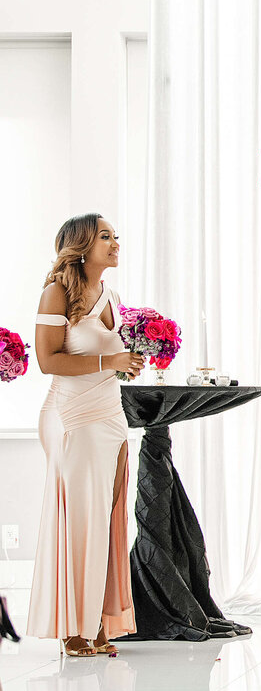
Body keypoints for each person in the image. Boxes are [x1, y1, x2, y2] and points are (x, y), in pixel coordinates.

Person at [29, 214, 141, 657]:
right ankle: (70, 627)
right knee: (78, 518)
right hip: (71, 415)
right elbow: (47, 360)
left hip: (110, 414)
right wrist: (108, 364)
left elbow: (109, 356)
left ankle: (96, 619)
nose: (116, 242)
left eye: (117, 234)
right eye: (105, 236)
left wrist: (128, 361)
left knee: (107, 517)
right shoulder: (56, 292)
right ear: (80, 246)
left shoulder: (110, 295)